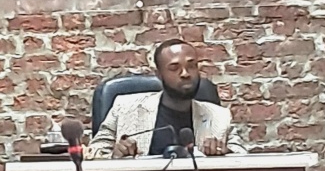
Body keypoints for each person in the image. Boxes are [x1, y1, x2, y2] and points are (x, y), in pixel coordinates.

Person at [88, 39, 245, 158]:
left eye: (191, 66)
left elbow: (242, 157)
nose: (185, 73)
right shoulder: (125, 108)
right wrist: (114, 154)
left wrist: (224, 152)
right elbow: (92, 153)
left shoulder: (219, 116)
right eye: (174, 68)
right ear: (159, 75)